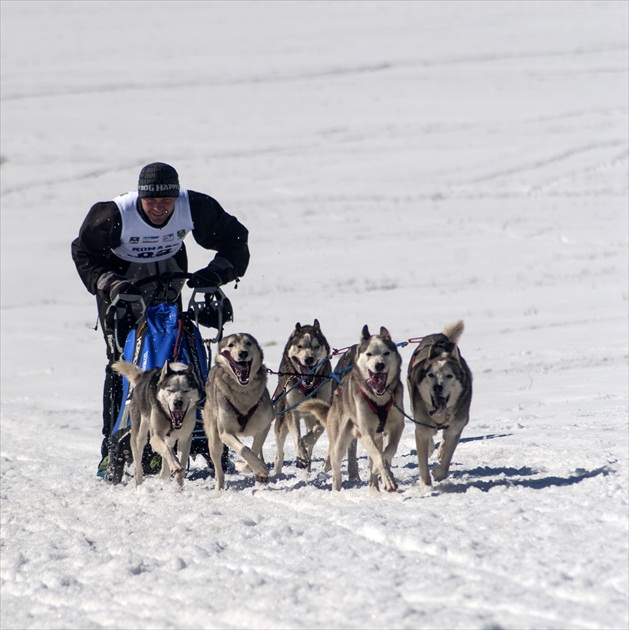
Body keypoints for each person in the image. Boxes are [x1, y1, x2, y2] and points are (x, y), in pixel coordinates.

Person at [71, 162, 250, 473]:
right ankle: (113, 442)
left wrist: (216, 273)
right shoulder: (114, 215)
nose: (158, 209)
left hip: (168, 271)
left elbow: (235, 239)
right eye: (151, 202)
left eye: (166, 202)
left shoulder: (193, 206)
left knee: (173, 350)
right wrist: (109, 284)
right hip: (122, 279)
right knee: (122, 359)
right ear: (140, 197)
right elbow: (83, 253)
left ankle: (186, 433)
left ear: (175, 198)